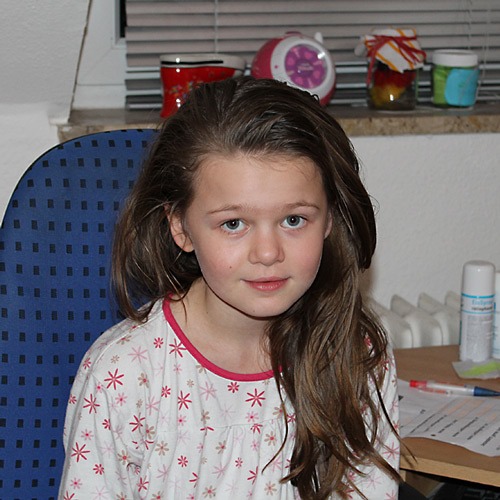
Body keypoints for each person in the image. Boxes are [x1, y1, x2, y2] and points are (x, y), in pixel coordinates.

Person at [59, 76, 400, 499]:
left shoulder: (355, 354)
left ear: (329, 219)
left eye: (294, 220)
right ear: (180, 227)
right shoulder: (126, 375)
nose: (268, 253)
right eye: (233, 223)